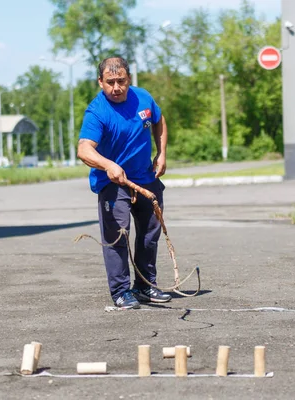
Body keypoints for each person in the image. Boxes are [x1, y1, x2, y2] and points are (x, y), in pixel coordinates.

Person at [77, 56, 171, 309]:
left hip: (146, 180)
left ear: (129, 79)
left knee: (150, 235)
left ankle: (144, 286)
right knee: (118, 235)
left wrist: (161, 153)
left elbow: (159, 122)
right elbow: (84, 149)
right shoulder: (97, 111)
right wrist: (108, 165)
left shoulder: (143, 98)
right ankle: (120, 291)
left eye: (122, 81)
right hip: (113, 183)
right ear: (100, 82)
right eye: (110, 82)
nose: (116, 87)